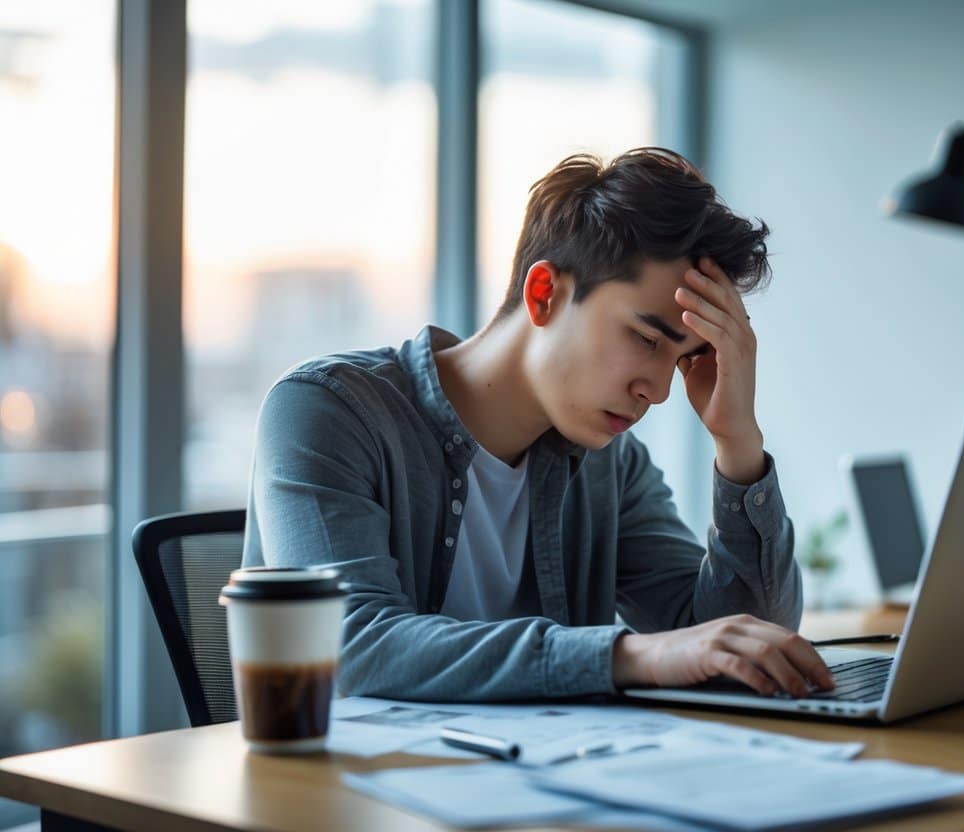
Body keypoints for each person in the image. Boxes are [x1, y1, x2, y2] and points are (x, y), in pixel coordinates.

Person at [243, 147, 834, 701]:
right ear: (545, 292)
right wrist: (629, 657)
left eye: (681, 359)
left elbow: (741, 646)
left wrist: (738, 444)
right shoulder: (329, 411)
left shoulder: (610, 465)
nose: (656, 391)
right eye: (646, 338)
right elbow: (345, 646)